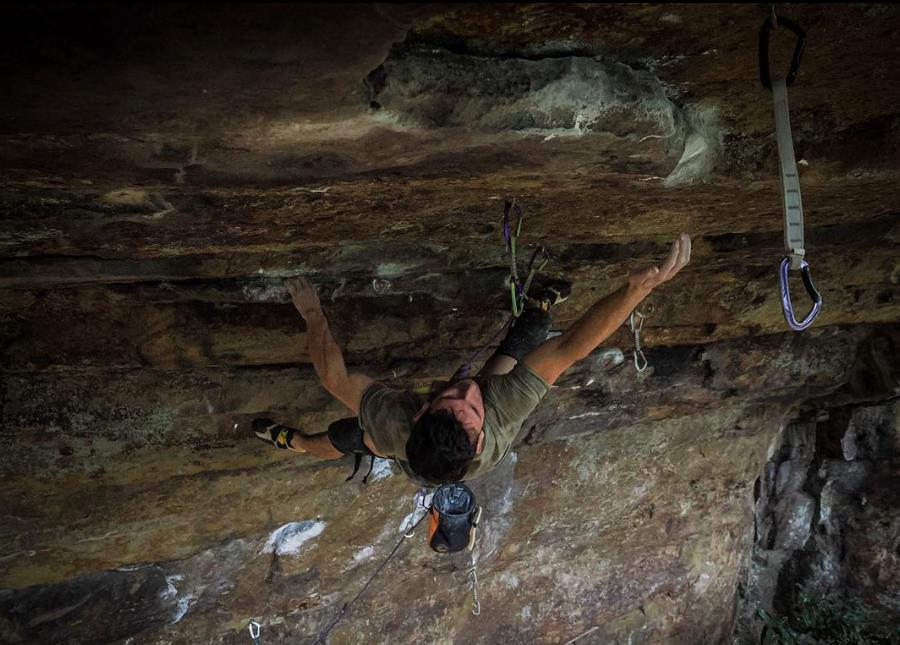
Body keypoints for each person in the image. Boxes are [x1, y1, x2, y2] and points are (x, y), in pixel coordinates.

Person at [254, 233, 692, 486]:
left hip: (408, 447)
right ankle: (537, 310)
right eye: (469, 405)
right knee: (521, 350)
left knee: (346, 437)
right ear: (480, 435)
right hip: (478, 423)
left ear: (422, 409)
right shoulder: (500, 414)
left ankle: (290, 442)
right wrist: (637, 291)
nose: (465, 389)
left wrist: (313, 313)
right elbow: (571, 349)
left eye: (455, 399)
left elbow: (334, 378)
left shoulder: (397, 423)